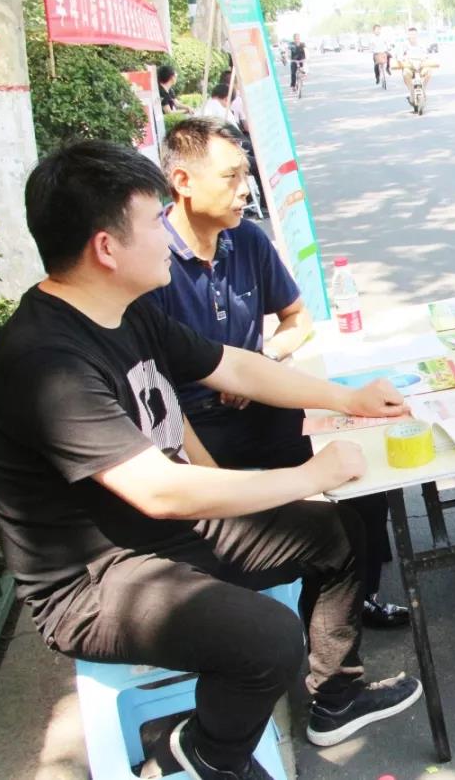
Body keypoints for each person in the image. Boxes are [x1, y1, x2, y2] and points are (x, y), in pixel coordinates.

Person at [0, 140, 422, 780]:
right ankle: (206, 752)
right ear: (106, 248)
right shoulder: (45, 361)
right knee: (268, 640)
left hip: (163, 534)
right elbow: (160, 490)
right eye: (153, 221)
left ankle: (336, 697)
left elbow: (231, 365)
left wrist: (347, 398)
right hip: (97, 581)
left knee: (340, 533)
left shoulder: (125, 311)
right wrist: (310, 475)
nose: (168, 233)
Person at [146, 118, 409, 629]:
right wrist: (216, 487)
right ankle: (275, 612)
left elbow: (296, 319)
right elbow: (160, 397)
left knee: (362, 460)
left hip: (262, 402)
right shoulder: (153, 263)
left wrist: (263, 362)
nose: (246, 190)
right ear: (182, 181)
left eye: (245, 174)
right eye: (230, 176)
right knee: (272, 519)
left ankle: (359, 595)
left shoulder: (247, 240)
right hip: (193, 425)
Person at [396, 27, 435, 99]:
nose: (412, 36)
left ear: (417, 35)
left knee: (429, 71)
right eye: (410, 35)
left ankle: (423, 89)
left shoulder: (422, 44)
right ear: (407, 35)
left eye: (414, 34)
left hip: (421, 66)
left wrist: (424, 59)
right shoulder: (404, 45)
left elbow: (427, 55)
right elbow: (399, 57)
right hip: (409, 67)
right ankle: (411, 91)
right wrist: (402, 61)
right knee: (405, 74)